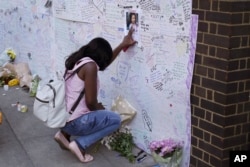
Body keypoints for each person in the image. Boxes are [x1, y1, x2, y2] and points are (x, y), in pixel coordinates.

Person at [54, 29, 136, 163]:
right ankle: (80, 145)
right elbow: (91, 102)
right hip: (76, 123)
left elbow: (104, 64)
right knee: (115, 119)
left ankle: (63, 134)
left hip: (63, 119)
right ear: (101, 56)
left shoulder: (78, 61)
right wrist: (100, 108)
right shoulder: (90, 67)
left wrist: (122, 45)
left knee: (79, 108)